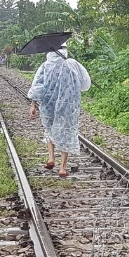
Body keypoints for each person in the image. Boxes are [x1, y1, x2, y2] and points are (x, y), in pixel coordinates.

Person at [27, 48, 91, 177]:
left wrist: (33, 104)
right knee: (65, 132)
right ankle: (62, 168)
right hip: (67, 105)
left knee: (49, 129)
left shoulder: (45, 66)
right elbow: (85, 83)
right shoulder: (72, 63)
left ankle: (51, 158)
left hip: (48, 104)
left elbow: (37, 86)